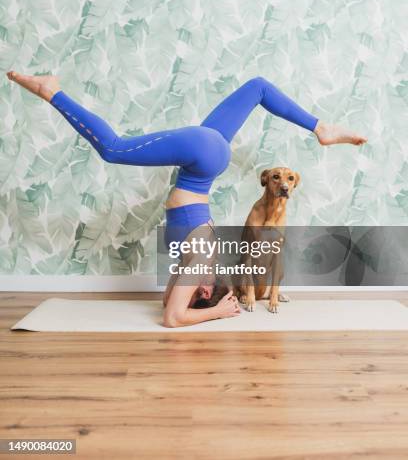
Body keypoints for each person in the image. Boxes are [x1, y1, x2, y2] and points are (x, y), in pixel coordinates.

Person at [6, 70, 367, 327]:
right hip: (203, 154)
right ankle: (50, 90)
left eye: (194, 291)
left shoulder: (192, 266)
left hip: (204, 162)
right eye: (198, 290)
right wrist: (216, 311)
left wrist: (198, 297)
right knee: (113, 149)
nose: (189, 287)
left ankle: (321, 127)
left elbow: (169, 304)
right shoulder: (201, 260)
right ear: (204, 288)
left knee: (257, 88)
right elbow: (174, 318)